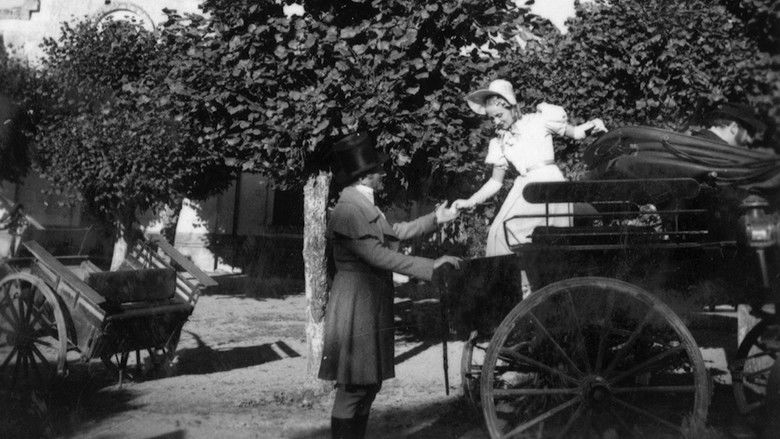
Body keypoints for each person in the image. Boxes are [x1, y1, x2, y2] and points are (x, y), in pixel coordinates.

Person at [319, 131, 462, 439]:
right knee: (354, 385)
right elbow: (376, 254)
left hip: (368, 300)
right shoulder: (348, 209)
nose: (382, 174)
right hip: (356, 302)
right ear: (366, 176)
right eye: (378, 170)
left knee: (370, 383)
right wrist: (430, 267)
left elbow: (392, 233)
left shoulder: (361, 202)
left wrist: (436, 218)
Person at [452, 79, 608, 256]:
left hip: (549, 183)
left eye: (499, 115)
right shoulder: (500, 142)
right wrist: (470, 201)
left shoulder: (538, 120)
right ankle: (515, 278)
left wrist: (594, 125)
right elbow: (495, 182)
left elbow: (575, 132)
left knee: (519, 231)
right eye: (492, 118)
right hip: (526, 187)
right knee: (499, 232)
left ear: (511, 106)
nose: (496, 121)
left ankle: (528, 277)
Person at [692, 102, 765, 148]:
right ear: (734, 127)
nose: (750, 141)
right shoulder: (720, 152)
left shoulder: (698, 141)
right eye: (750, 132)